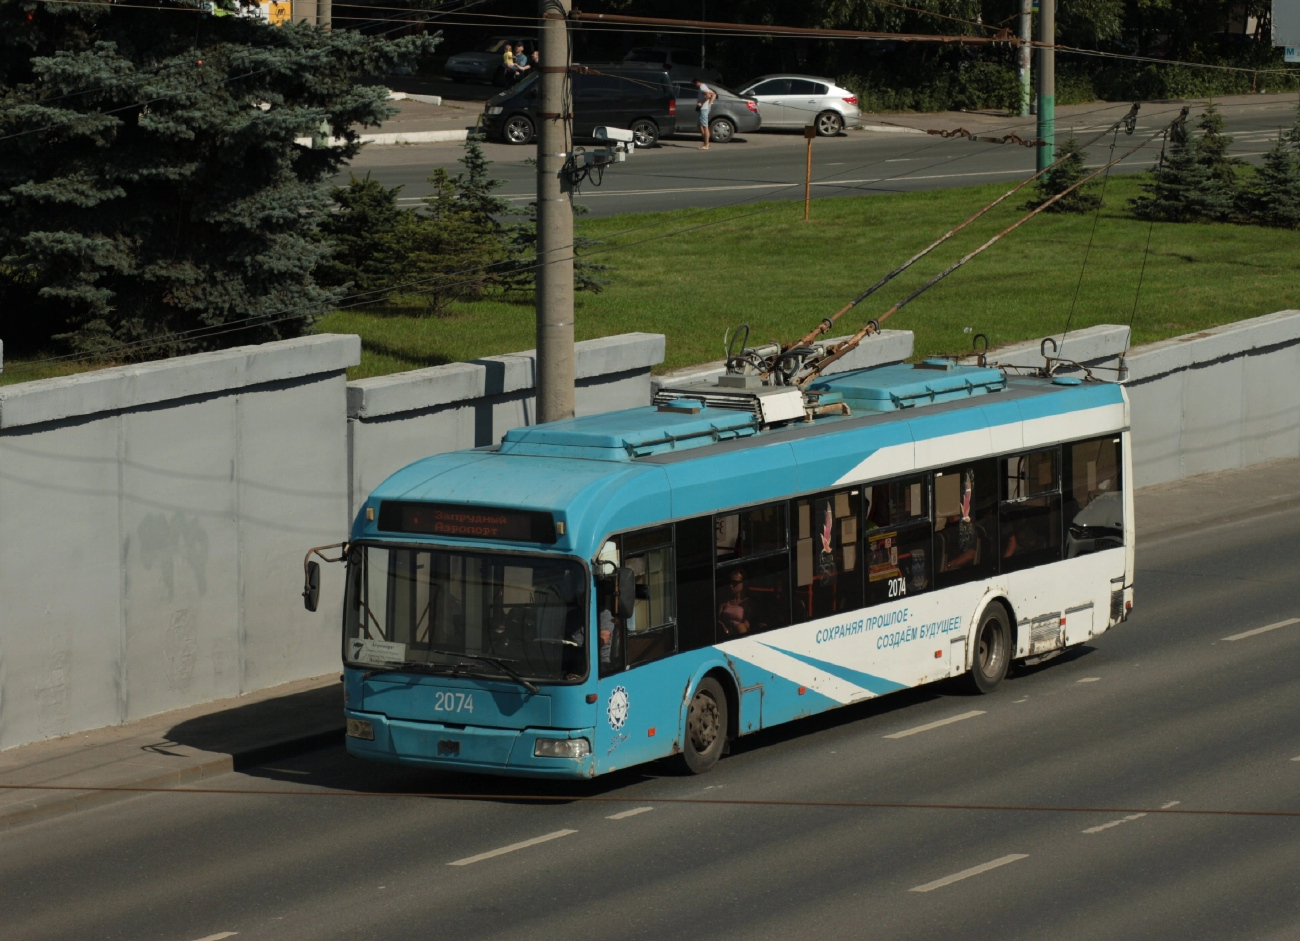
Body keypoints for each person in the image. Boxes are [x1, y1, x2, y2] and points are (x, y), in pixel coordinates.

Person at [717, 569, 752, 636]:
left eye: (734, 583)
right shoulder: (724, 601)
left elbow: (747, 623)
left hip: (739, 632)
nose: (731, 585)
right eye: (729, 582)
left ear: (743, 583)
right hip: (724, 632)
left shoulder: (747, 602)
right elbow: (718, 620)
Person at [694, 78, 717, 150]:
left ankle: (706, 144)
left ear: (697, 82)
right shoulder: (704, 86)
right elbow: (714, 94)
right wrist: (710, 103)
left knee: (705, 126)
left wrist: (702, 103)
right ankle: (706, 142)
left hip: (704, 109)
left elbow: (708, 95)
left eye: (694, 83)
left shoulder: (702, 87)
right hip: (704, 108)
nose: (694, 85)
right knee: (699, 125)